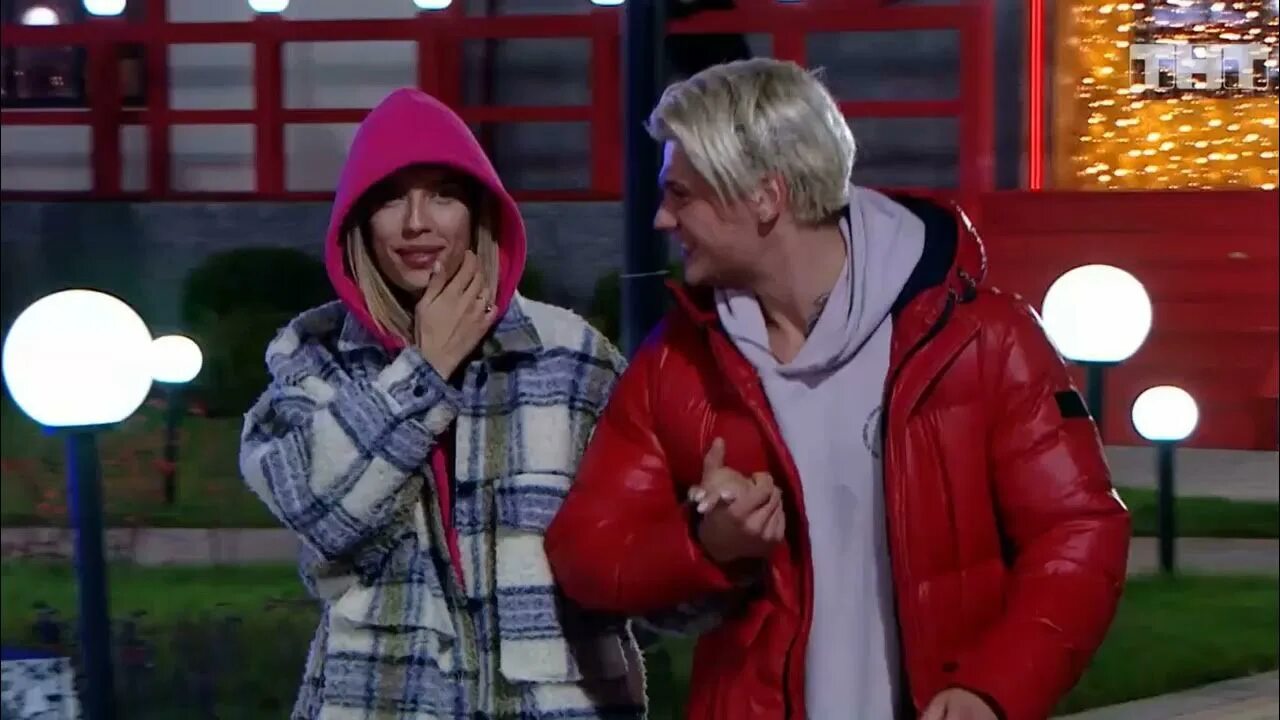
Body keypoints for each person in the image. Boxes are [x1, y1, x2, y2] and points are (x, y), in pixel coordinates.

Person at [544, 58, 1131, 720]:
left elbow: (1079, 530)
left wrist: (994, 689)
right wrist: (705, 544)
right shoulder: (675, 363)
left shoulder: (984, 339)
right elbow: (585, 553)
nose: (661, 219)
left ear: (765, 197)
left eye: (682, 195)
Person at [239, 87, 644, 720]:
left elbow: (639, 550)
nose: (416, 223)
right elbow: (315, 513)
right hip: (381, 702)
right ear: (360, 221)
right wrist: (423, 371)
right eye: (391, 198)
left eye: (443, 196)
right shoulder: (313, 360)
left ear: (480, 212)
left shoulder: (569, 355)